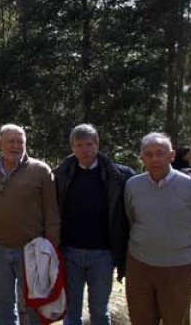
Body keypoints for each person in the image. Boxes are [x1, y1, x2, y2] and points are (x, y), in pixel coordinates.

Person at [124, 132, 191, 325]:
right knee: (140, 320)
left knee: (176, 321)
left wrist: (189, 255)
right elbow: (132, 220)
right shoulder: (133, 186)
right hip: (139, 266)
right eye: (148, 154)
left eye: (160, 153)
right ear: (142, 159)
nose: (155, 159)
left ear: (172, 155)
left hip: (178, 268)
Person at [0, 124, 60, 325]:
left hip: (32, 249)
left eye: (19, 141)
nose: (15, 146)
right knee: (3, 308)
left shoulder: (40, 170)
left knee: (35, 307)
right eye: (10, 141)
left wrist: (52, 243)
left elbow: (51, 209)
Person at [53, 124, 134, 325]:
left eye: (89, 144)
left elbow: (147, 186)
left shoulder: (120, 176)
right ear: (72, 147)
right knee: (71, 312)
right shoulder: (59, 175)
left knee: (99, 312)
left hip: (103, 255)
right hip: (70, 253)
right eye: (79, 145)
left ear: (97, 145)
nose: (85, 149)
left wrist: (190, 176)